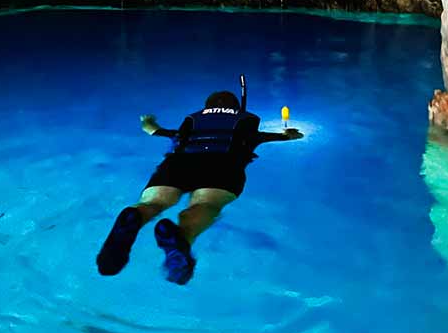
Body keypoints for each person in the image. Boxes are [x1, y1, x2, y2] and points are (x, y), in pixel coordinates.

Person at [96, 89, 303, 285]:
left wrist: (148, 121)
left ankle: (135, 216)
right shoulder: (246, 125)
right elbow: (287, 136)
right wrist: (289, 134)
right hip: (223, 164)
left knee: (154, 202)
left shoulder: (192, 123)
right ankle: (182, 238)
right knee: (206, 204)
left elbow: (152, 130)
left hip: (178, 164)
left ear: (206, 107)